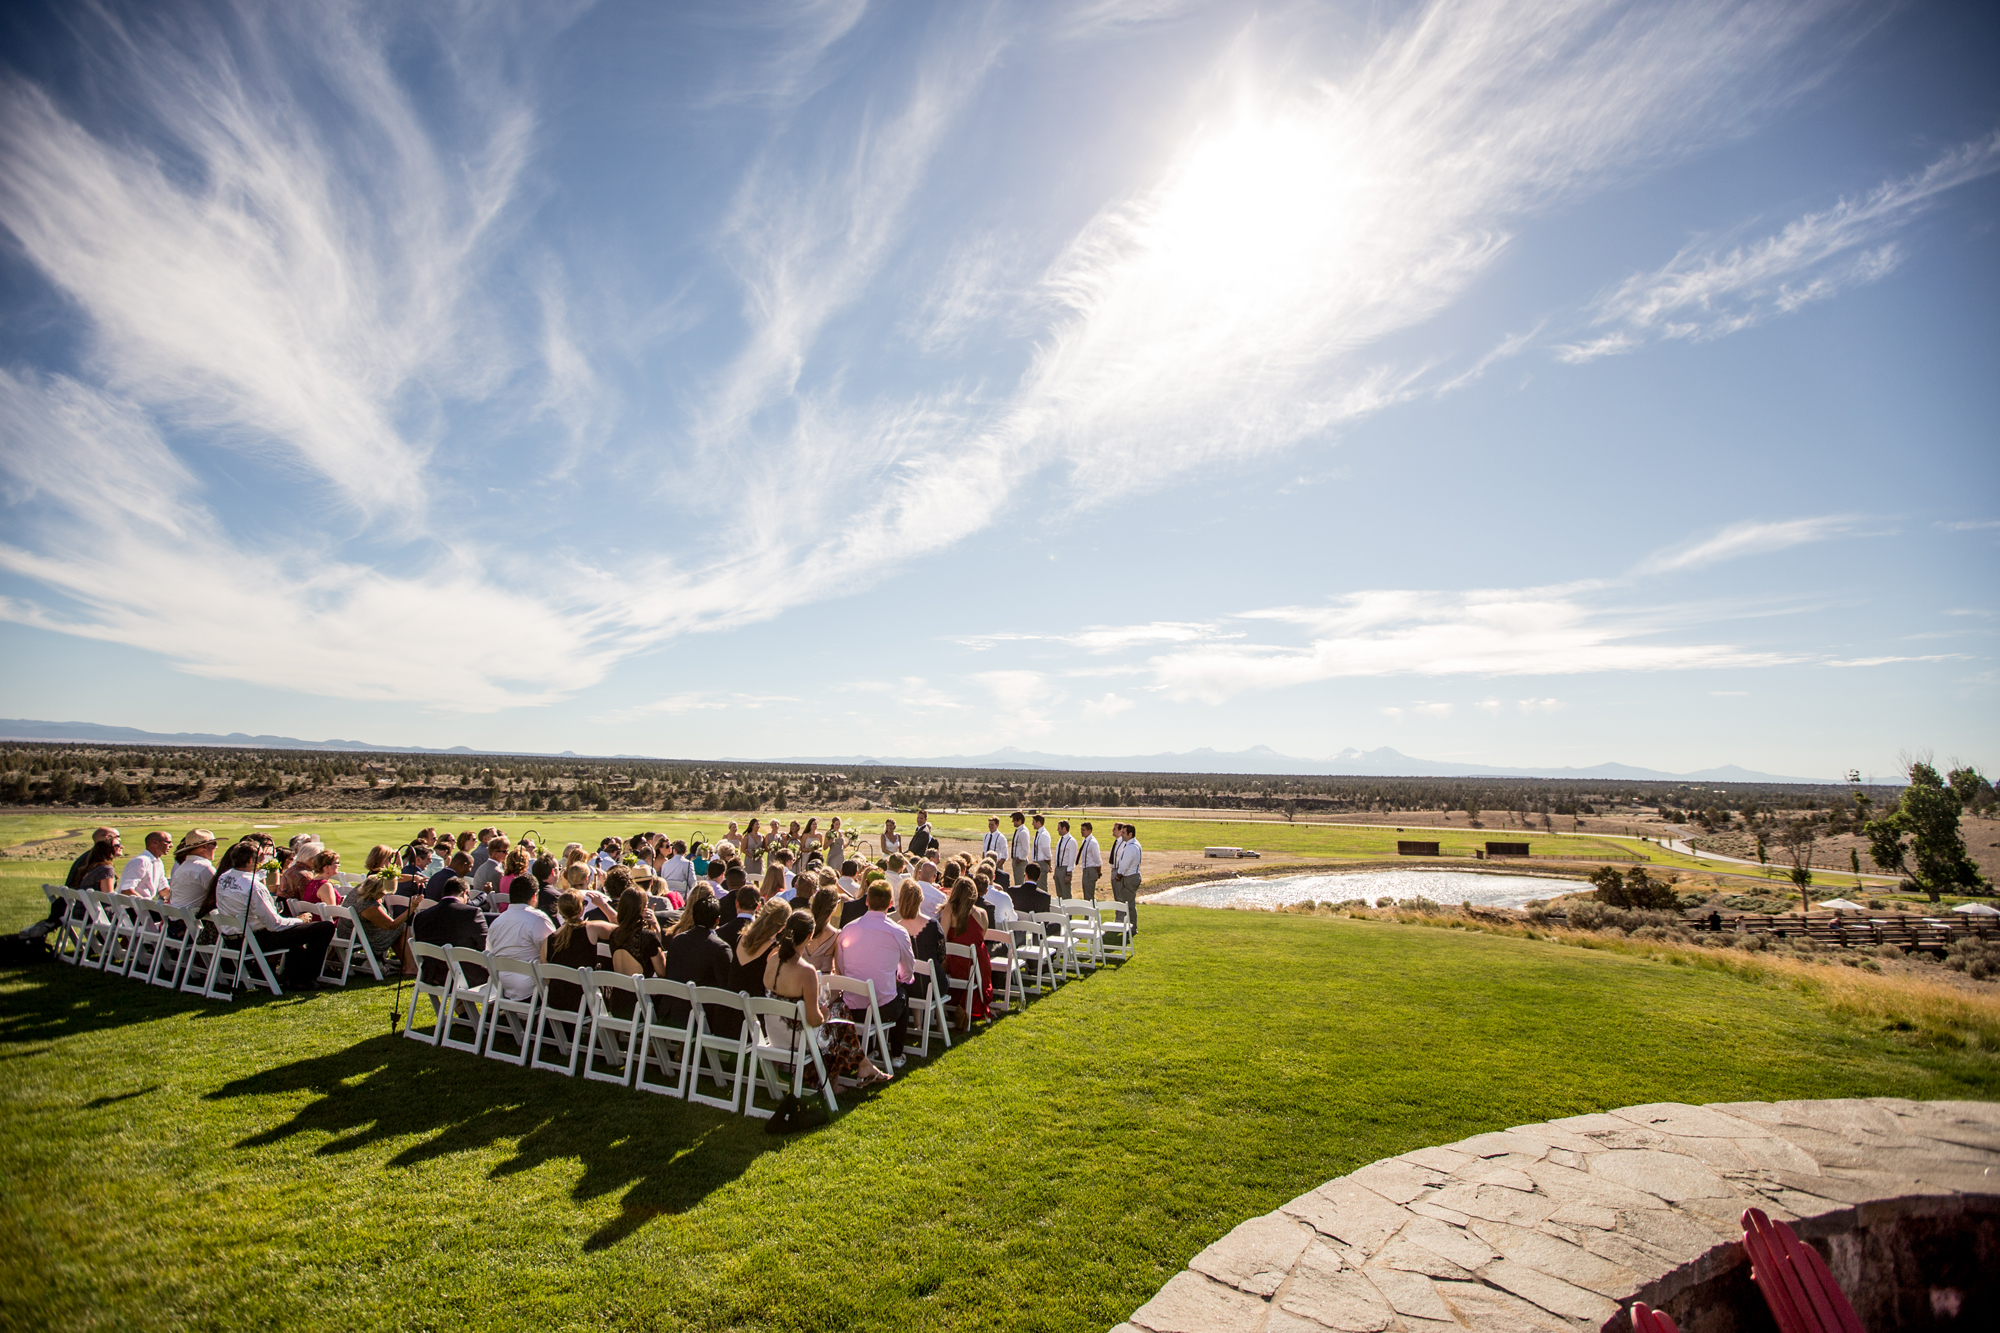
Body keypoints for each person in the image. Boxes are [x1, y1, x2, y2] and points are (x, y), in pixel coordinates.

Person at [764, 911, 890, 1088]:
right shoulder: (805, 971)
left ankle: (859, 1068)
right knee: (840, 1016)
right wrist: (823, 1013)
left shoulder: (772, 959)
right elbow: (814, 1020)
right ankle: (841, 1077)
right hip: (798, 1038)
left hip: (774, 1033)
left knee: (838, 1015)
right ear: (810, 936)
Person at [212, 842, 338, 991]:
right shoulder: (253, 885)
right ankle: (305, 978)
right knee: (325, 927)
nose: (263, 860)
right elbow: (274, 924)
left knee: (298, 931)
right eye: (261, 857)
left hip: (231, 937)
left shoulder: (224, 877)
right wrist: (299, 920)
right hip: (256, 939)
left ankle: (293, 976)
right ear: (251, 861)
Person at [834, 882, 915, 1066]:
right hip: (882, 1007)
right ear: (890, 903)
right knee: (902, 995)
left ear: (867, 901)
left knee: (891, 993)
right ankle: (895, 1054)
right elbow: (908, 971)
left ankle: (870, 1050)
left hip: (852, 1007)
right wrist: (899, 980)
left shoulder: (848, 929)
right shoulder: (897, 931)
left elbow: (841, 968)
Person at [661, 896, 739, 1035]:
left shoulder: (677, 940)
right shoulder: (720, 947)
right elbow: (727, 986)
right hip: (700, 1016)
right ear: (717, 920)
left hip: (671, 1009)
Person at [412, 876, 488, 987]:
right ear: (464, 893)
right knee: (501, 978)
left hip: (433, 976)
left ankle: (460, 1004)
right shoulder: (471, 913)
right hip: (465, 976)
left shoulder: (420, 917)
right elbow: (486, 946)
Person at [487, 876, 556, 999]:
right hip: (534, 989)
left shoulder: (496, 923)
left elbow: (490, 954)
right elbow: (555, 951)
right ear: (535, 896)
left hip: (504, 987)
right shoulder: (537, 919)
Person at [939, 879, 992, 1025]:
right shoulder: (982, 913)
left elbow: (942, 937)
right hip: (978, 966)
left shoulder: (949, 909)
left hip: (957, 964)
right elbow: (981, 939)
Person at [350, 874, 421, 970]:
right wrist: (412, 908)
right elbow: (392, 925)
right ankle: (409, 967)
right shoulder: (368, 906)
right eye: (383, 893)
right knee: (402, 927)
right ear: (376, 892)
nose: (384, 895)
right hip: (359, 937)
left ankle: (406, 963)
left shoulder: (357, 891)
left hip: (349, 931)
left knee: (397, 930)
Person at [733, 898, 790, 1000]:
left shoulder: (741, 938)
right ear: (783, 926)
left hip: (730, 1004)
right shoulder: (774, 950)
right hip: (753, 1010)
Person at [168, 829, 219, 911]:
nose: (216, 847)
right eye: (213, 844)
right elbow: (220, 895)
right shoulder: (204, 868)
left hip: (178, 918)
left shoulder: (183, 866)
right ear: (204, 847)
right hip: (191, 921)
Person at [118, 830, 172, 898]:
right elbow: (126, 890)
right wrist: (146, 905)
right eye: (168, 842)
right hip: (131, 906)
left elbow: (163, 889)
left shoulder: (158, 862)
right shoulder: (140, 861)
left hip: (142, 905)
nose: (171, 845)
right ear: (155, 842)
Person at [1111, 822, 1143, 935]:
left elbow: (1125, 864)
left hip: (1129, 877)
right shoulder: (1135, 844)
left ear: (1130, 834)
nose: (1121, 835)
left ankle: (1132, 928)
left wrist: (1118, 875)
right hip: (1133, 875)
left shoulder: (1130, 847)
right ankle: (1129, 926)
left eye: (1123, 833)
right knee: (1129, 904)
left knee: (1129, 905)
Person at [801, 887, 842, 973]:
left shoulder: (802, 927)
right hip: (823, 983)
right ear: (834, 907)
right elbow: (838, 971)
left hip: (800, 981)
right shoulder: (836, 935)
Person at [1078, 821, 1103, 902]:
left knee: (1089, 896)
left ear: (1089, 831)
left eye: (1083, 830)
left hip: (1091, 869)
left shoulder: (1093, 843)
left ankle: (1090, 913)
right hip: (1085, 869)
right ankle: (1088, 914)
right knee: (1086, 894)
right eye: (1081, 830)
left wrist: (1098, 872)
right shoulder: (1085, 841)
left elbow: (1097, 859)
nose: (1081, 832)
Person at [1031, 814, 1053, 886]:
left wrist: (1049, 864)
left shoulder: (1044, 835)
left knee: (1042, 887)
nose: (1032, 824)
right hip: (1037, 863)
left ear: (1038, 823)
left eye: (1033, 822)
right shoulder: (1039, 834)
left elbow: (1046, 851)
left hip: (1042, 863)